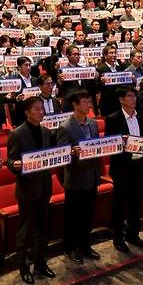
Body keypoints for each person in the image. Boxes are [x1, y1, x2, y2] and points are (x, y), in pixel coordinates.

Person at [7, 96, 56, 285]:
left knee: (43, 228)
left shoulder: (45, 131)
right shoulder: (17, 134)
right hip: (27, 189)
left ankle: (41, 264)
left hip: (44, 186)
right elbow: (10, 162)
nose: (41, 112)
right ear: (27, 112)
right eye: (36, 109)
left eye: (42, 109)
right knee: (25, 232)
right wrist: (15, 165)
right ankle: (23, 267)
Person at [56, 91, 102, 264]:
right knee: (73, 216)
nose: (88, 104)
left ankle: (85, 245)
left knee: (88, 214)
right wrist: (73, 154)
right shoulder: (65, 127)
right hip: (76, 178)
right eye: (84, 101)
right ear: (75, 104)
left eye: (89, 101)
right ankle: (70, 247)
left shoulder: (92, 123)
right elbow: (63, 156)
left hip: (92, 175)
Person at [105, 86, 143, 253]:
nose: (133, 99)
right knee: (120, 204)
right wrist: (118, 141)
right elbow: (109, 144)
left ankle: (133, 234)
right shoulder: (113, 118)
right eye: (129, 96)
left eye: (134, 96)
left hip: (138, 164)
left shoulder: (139, 117)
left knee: (136, 203)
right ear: (121, 100)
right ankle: (118, 238)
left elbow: (142, 139)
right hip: (122, 168)